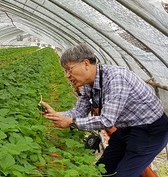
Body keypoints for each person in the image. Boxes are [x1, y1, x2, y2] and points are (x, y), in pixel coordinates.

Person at [39, 43, 168, 177]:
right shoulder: (89, 84)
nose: (67, 75)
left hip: (150, 131)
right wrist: (57, 115)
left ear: (86, 64)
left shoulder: (116, 78)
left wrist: (71, 122)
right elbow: (78, 112)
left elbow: (107, 121)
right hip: (127, 128)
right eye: (65, 71)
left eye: (69, 69)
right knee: (102, 169)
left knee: (124, 174)